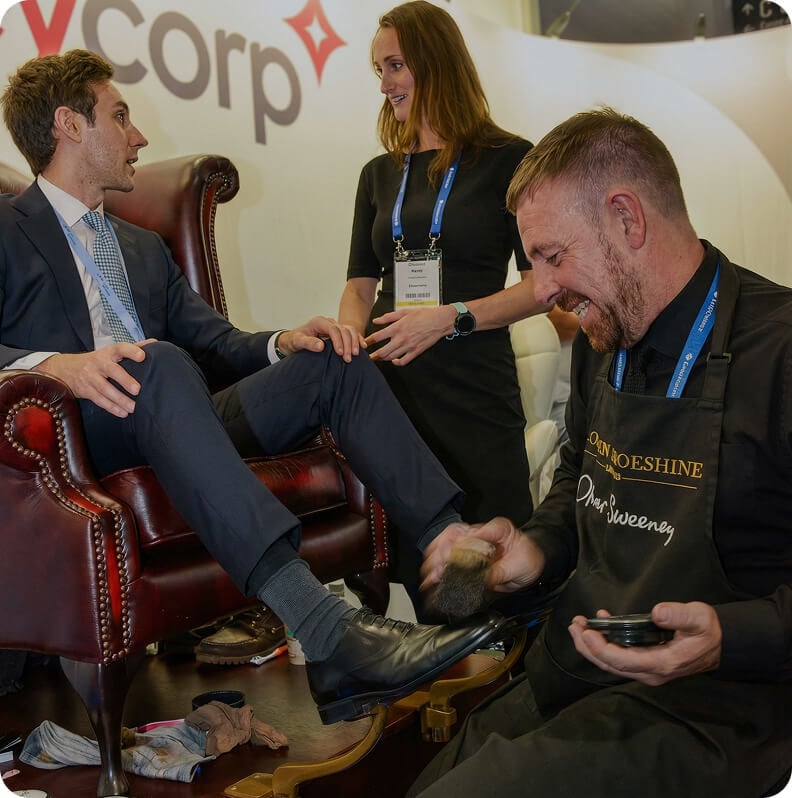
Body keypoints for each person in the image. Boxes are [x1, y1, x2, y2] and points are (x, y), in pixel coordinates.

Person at [0, 48, 508, 727]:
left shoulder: (142, 246)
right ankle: (327, 632)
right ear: (68, 125)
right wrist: (55, 365)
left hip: (180, 414)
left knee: (336, 356)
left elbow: (216, 341)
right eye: (119, 117)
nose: (138, 136)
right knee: (159, 362)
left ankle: (451, 543)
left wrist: (284, 342)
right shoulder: (7, 229)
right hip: (83, 434)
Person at [410, 107, 792, 797]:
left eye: (552, 257)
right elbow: (578, 479)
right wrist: (533, 550)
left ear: (626, 218)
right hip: (581, 665)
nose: (542, 291)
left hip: (717, 705)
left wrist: (731, 635)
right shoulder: (604, 336)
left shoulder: (780, 352)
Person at [338, 1, 550, 613]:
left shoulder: (512, 159)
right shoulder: (378, 174)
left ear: (435, 62)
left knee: (490, 564)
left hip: (473, 388)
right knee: (423, 569)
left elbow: (542, 285)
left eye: (395, 65)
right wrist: (349, 346)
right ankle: (440, 667)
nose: (385, 84)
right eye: (379, 69)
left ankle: (501, 666)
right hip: (394, 392)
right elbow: (359, 284)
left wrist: (450, 316)